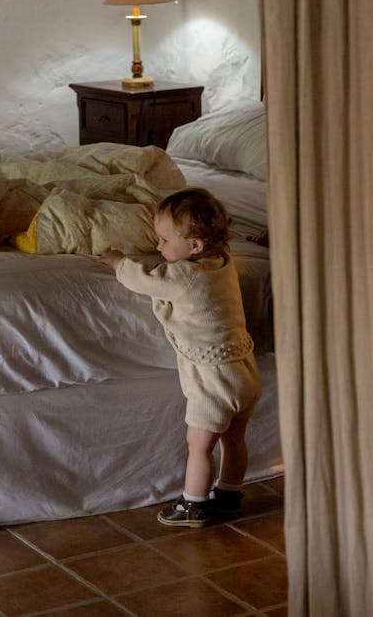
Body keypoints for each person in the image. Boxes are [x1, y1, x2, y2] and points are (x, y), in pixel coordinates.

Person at [99, 187, 261, 529]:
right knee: (234, 439)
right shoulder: (223, 262)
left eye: (164, 240)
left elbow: (141, 279)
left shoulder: (184, 277)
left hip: (213, 379)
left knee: (198, 444)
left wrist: (116, 260)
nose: (158, 248)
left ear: (195, 246)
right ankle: (230, 494)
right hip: (244, 369)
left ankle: (193, 504)